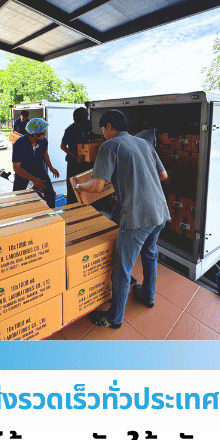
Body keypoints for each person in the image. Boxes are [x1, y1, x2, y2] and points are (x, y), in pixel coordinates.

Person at [75, 109, 170, 329]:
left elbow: (97, 187)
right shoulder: (144, 143)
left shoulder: (110, 146)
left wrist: (79, 186)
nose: (102, 133)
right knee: (149, 253)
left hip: (138, 216)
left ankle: (114, 318)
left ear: (108, 127)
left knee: (122, 268)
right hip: (160, 211)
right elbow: (163, 175)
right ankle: (148, 296)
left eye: (102, 129)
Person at [109, 121, 183, 223]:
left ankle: (117, 224)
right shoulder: (148, 141)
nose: (172, 143)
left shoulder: (152, 135)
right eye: (172, 140)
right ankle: (115, 225)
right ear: (166, 135)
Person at [12, 118, 59, 208]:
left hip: (38, 167)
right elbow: (16, 167)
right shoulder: (19, 144)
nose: (45, 135)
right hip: (23, 170)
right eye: (43, 133)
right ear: (34, 134)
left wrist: (51, 168)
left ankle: (52, 212)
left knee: (50, 194)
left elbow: (44, 153)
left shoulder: (43, 140)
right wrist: (34, 180)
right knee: (18, 195)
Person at [60, 107, 93, 204]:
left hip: (86, 162)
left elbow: (91, 135)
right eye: (85, 117)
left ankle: (85, 204)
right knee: (73, 187)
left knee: (85, 184)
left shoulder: (88, 125)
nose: (87, 119)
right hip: (74, 163)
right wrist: (76, 157)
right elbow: (62, 146)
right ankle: (72, 206)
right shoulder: (70, 130)